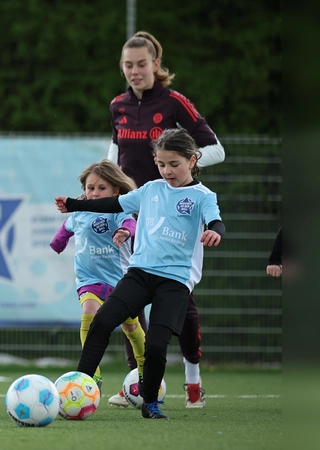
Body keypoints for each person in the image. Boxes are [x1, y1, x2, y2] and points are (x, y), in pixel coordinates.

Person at [56, 128, 224, 419]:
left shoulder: (202, 196)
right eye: (161, 164)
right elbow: (112, 204)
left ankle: (150, 403)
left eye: (174, 164)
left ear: (193, 160)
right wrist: (73, 204)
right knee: (101, 322)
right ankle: (80, 387)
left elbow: (216, 222)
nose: (167, 170)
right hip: (140, 273)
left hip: (174, 282)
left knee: (157, 344)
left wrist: (214, 231)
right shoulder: (150, 189)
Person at [106, 31, 225, 408]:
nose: (135, 71)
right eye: (128, 65)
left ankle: (193, 381)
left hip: (174, 214)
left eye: (142, 64)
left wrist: (175, 170)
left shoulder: (174, 102)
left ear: (156, 65)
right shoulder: (118, 106)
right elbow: (114, 154)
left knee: (181, 302)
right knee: (130, 302)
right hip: (134, 216)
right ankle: (139, 383)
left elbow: (216, 149)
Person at [49, 160, 144, 391]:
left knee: (131, 326)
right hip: (89, 281)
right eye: (90, 188)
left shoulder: (117, 211)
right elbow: (67, 228)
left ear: (116, 191)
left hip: (119, 281)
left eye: (101, 188)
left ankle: (144, 369)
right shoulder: (80, 212)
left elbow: (130, 223)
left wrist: (125, 232)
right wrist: (57, 243)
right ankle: (92, 375)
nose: (94, 193)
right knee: (89, 312)